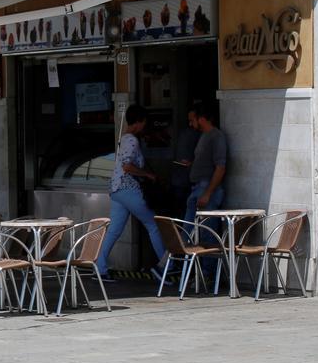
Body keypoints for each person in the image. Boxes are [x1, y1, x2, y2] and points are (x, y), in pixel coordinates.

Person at [95, 105, 168, 282]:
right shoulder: (132, 140)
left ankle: (100, 267)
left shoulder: (124, 139)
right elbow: (127, 166)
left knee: (114, 230)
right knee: (153, 224)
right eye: (144, 123)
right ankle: (166, 266)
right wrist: (148, 174)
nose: (144, 126)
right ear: (139, 121)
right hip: (128, 188)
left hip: (116, 189)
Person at [185, 102, 228, 231]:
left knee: (206, 234)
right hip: (198, 188)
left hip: (206, 189)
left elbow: (220, 167)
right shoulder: (204, 135)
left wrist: (207, 193)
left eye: (192, 120)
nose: (190, 124)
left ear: (202, 119)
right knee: (188, 232)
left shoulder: (216, 136)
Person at [169, 109, 201, 216]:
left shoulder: (199, 135)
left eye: (192, 120)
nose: (190, 123)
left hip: (186, 180)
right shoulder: (190, 134)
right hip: (185, 180)